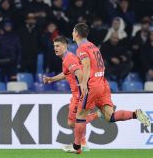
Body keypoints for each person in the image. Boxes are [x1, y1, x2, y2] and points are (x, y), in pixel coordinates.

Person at [62, 23, 150, 154]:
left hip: (93, 85)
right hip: (103, 84)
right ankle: (135, 114)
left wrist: (84, 83)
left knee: (79, 117)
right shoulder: (94, 47)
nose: (72, 34)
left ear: (76, 33)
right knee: (110, 117)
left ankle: (76, 147)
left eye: (73, 31)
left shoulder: (81, 48)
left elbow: (86, 66)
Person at [43, 36, 100, 151]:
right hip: (77, 94)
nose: (55, 48)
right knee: (73, 122)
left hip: (79, 94)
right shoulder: (67, 58)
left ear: (65, 46)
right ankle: (83, 142)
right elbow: (67, 73)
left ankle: (95, 118)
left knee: (73, 122)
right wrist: (52, 79)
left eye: (58, 46)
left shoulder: (69, 58)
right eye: (54, 46)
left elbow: (79, 73)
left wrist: (82, 88)